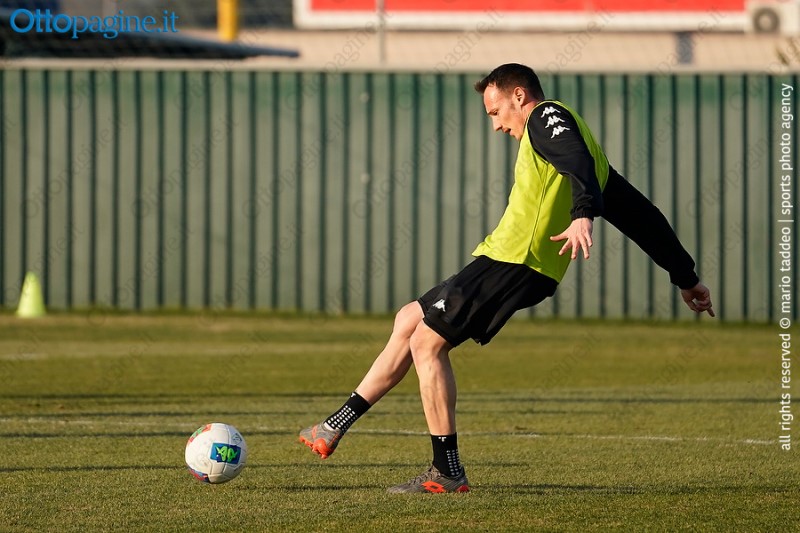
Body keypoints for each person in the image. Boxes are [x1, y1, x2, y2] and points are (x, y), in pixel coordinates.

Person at [298, 63, 715, 494]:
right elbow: (642, 216)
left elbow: (574, 158)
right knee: (409, 319)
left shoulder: (546, 116)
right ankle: (334, 425)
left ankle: (446, 471)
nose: (496, 125)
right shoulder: (587, 158)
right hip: (504, 258)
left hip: (517, 261)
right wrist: (686, 277)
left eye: (495, 112)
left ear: (519, 96)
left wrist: (583, 213)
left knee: (427, 343)